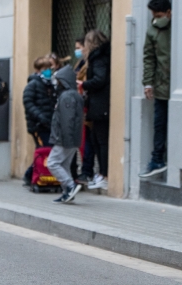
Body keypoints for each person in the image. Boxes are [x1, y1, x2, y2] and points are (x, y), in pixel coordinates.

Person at [140, 0, 172, 178]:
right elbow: (149, 58)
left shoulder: (177, 28)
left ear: (169, 12)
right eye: (153, 17)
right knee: (159, 123)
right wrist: (148, 83)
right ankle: (157, 158)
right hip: (161, 85)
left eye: (158, 16)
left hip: (173, 83)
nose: (155, 20)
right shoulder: (152, 31)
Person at [47, 66, 84, 204]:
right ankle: (68, 193)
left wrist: (66, 139)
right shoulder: (74, 95)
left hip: (64, 138)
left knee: (53, 163)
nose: (56, 84)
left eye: (58, 81)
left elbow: (67, 119)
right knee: (64, 165)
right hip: (71, 138)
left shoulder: (67, 96)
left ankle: (70, 185)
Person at [81, 30, 111, 191]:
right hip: (99, 105)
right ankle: (102, 173)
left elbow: (99, 80)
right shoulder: (101, 57)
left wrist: (84, 84)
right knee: (96, 139)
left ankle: (105, 174)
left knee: (101, 140)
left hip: (100, 105)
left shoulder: (98, 59)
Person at [22, 56, 56, 185]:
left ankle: (33, 175)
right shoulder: (33, 85)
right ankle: (31, 175)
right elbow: (29, 104)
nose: (48, 71)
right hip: (38, 125)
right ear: (38, 70)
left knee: (44, 150)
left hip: (48, 124)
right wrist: (41, 117)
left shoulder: (50, 85)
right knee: (44, 149)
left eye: (49, 68)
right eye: (45, 69)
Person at [74, 37, 93, 183]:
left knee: (87, 141)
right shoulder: (81, 63)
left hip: (87, 106)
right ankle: (85, 170)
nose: (78, 51)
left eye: (79, 47)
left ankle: (87, 170)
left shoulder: (89, 63)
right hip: (83, 105)